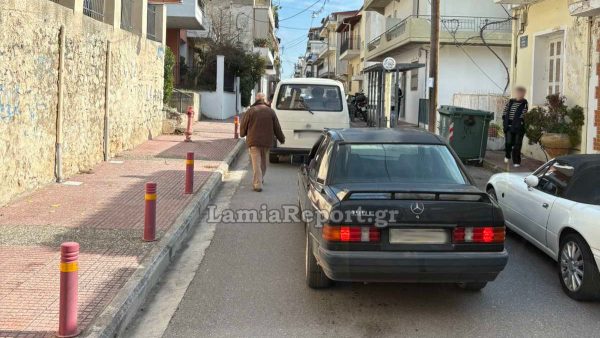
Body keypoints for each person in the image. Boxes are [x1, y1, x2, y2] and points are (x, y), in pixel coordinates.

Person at [240, 93, 286, 192]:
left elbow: (244, 125)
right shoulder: (271, 111)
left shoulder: (250, 111)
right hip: (267, 141)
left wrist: (242, 133)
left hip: (253, 141)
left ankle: (258, 184)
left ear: (256, 100)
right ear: (264, 100)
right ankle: (261, 178)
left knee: (256, 162)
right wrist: (281, 138)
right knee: (263, 161)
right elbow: (277, 127)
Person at [502, 87, 529, 167]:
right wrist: (504, 119)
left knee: (517, 145)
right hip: (508, 126)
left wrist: (519, 123)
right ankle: (507, 155)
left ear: (523, 94)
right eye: (518, 92)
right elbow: (505, 111)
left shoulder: (524, 103)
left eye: (522, 93)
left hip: (518, 127)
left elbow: (523, 114)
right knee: (508, 143)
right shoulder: (510, 102)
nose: (520, 94)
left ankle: (516, 161)